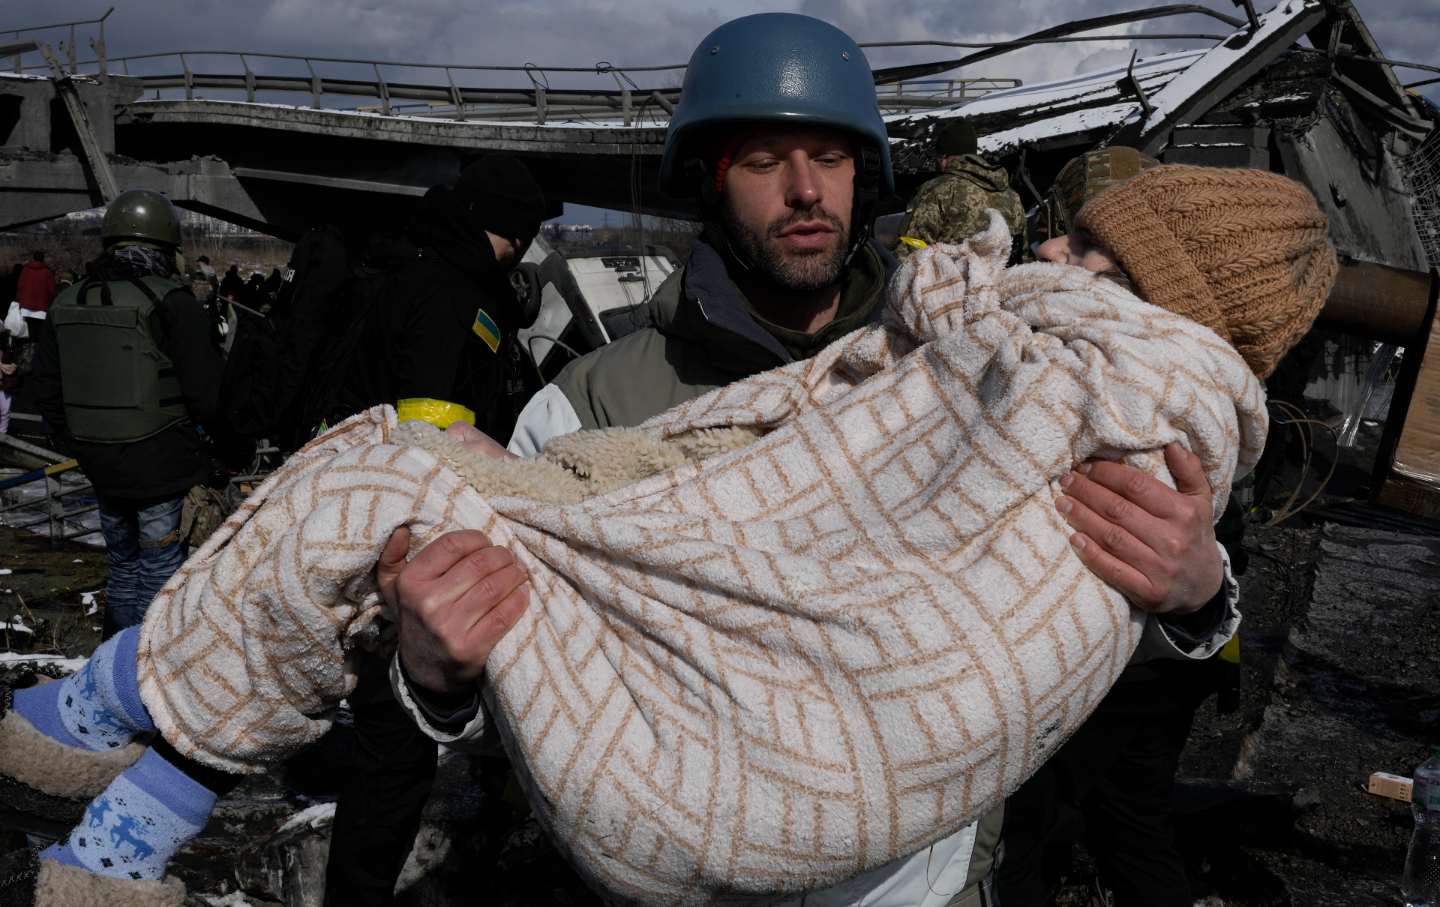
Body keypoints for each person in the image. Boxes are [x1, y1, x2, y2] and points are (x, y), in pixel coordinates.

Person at [991, 148, 1280, 907]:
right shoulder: (1071, 375)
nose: (1048, 249)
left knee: (1097, 824)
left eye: (1089, 251)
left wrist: (1204, 596)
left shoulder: (1133, 411)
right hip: (1158, 661)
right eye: (1066, 232)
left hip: (1143, 677)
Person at [320, 154, 547, 907]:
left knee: (401, 733)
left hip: (379, 515)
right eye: (522, 237)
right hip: (411, 540)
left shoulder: (412, 272)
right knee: (396, 744)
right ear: (504, 232)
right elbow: (431, 428)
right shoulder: (454, 298)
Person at [30, 189, 226, 639]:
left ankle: (113, 658)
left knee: (121, 564)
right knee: (159, 567)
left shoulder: (67, 300)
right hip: (161, 458)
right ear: (166, 247)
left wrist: (74, 441)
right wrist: (217, 450)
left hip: (99, 460)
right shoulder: (171, 302)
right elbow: (207, 391)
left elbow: (45, 386)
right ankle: (147, 668)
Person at [894, 118, 1026, 263]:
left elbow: (910, 248)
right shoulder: (1012, 196)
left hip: (950, 283)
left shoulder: (936, 190)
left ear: (944, 157)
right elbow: (1021, 252)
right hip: (1002, 282)